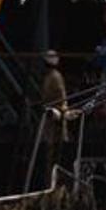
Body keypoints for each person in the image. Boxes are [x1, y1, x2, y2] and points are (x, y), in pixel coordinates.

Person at [41, 50, 69, 181]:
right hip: (49, 117)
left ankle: (54, 181)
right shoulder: (48, 77)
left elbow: (61, 99)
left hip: (55, 118)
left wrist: (60, 114)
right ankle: (49, 180)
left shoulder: (55, 77)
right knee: (48, 153)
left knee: (55, 154)